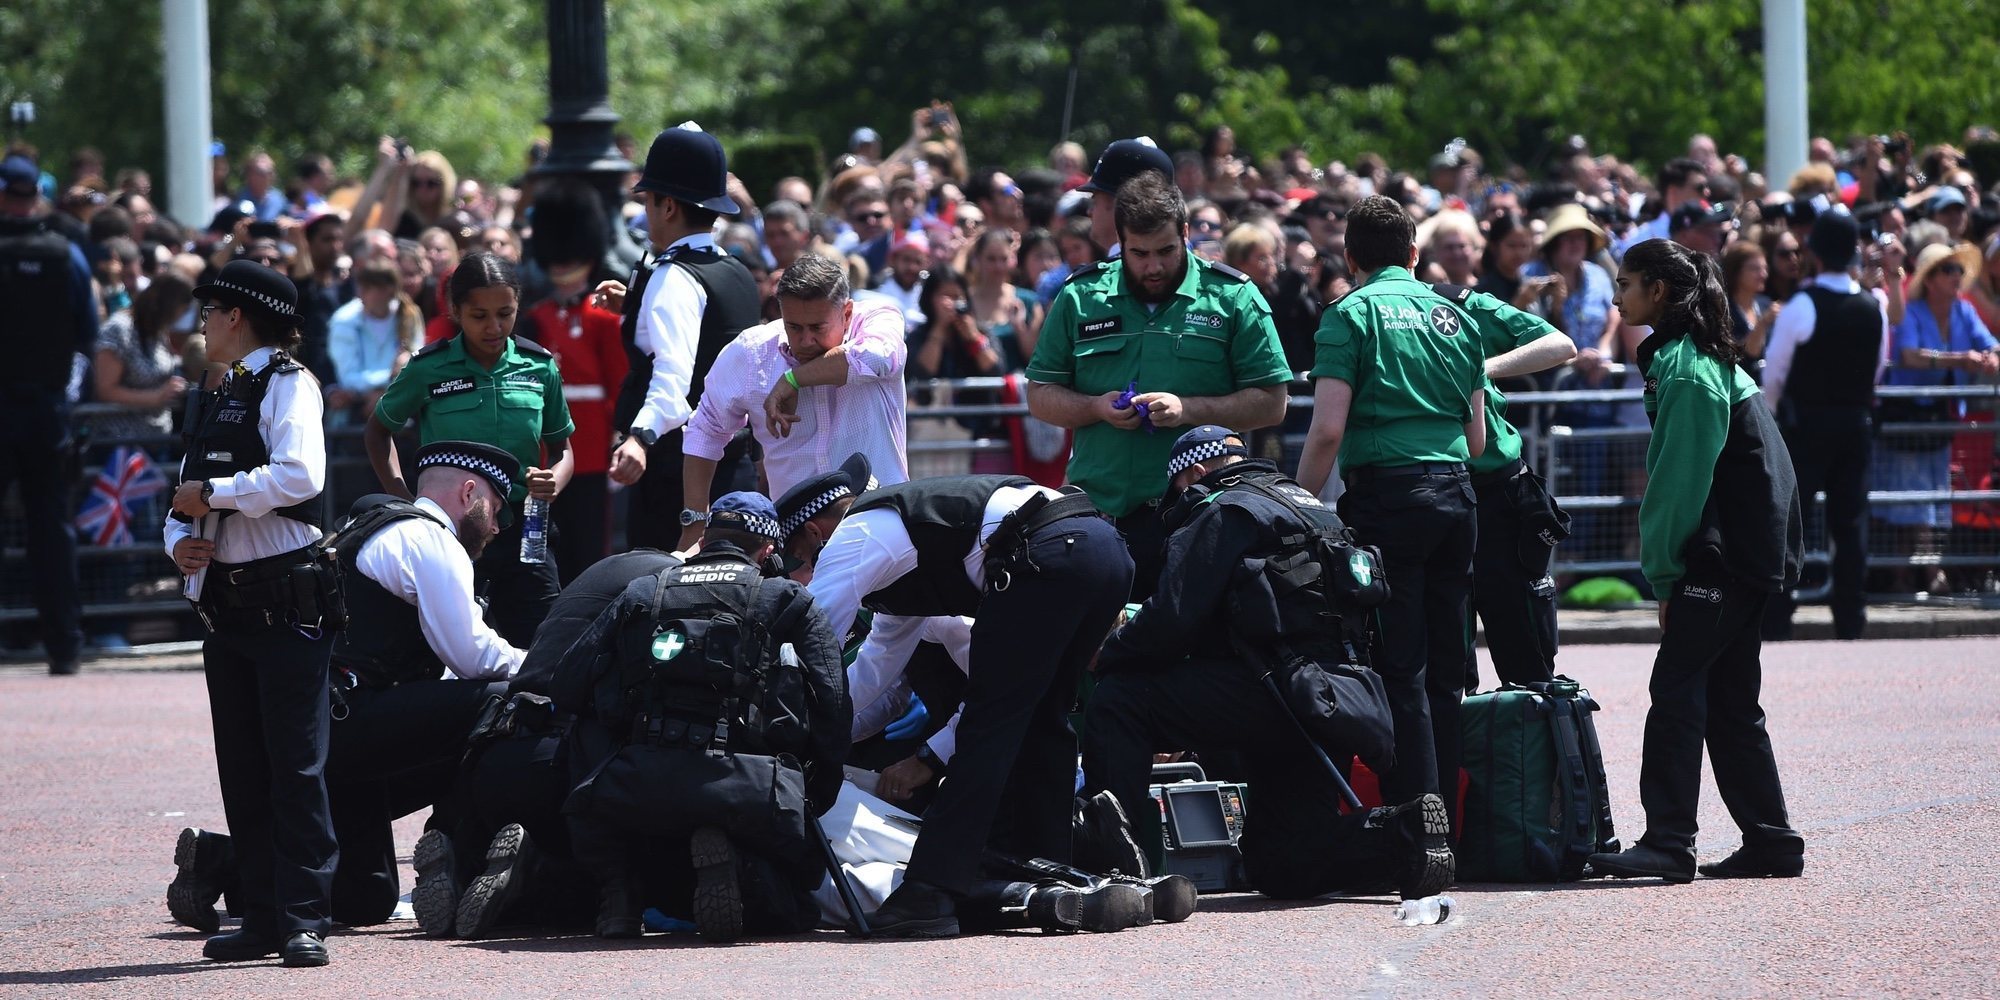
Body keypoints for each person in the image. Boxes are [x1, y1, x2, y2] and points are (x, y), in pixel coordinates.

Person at [1082, 426, 1453, 901]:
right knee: (1282, 864)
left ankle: (1120, 870)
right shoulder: (1313, 508)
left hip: (1269, 688)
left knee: (1120, 701)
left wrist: (1106, 655)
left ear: (1194, 472)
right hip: (1334, 702)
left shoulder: (1222, 509)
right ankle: (1401, 835)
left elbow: (1170, 620)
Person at [170, 442, 527, 934]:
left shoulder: (369, 525)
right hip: (347, 725)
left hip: (324, 726)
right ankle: (452, 855)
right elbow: (471, 658)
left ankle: (221, 860)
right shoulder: (432, 542)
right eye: (497, 509)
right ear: (469, 494)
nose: (497, 527)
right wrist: (538, 667)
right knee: (501, 702)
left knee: (367, 897)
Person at [796, 468, 1133, 937]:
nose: (805, 578)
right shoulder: (903, 565)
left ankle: (929, 892)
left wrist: (779, 719)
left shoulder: (854, 534)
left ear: (816, 534)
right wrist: (816, 731)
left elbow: (815, 643)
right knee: (1043, 721)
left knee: (987, 726)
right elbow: (871, 674)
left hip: (1046, 554)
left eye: (800, 564)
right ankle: (1052, 871)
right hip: (1104, 550)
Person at [1588, 238, 1805, 883]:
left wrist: (1664, 577)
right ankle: (1770, 841)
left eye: (1626, 283)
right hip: (1751, 550)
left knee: (1676, 689)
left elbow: (1675, 486)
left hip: (1723, 558)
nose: (1617, 295)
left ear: (1658, 291)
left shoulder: (1686, 367)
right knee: (1734, 701)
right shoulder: (1704, 356)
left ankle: (1668, 841)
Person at [556, 492, 849, 942]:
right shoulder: (784, 597)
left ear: (705, 538)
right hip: (748, 786)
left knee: (584, 727)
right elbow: (832, 701)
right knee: (793, 910)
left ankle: (620, 893)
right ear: (768, 551)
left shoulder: (642, 590)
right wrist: (813, 795)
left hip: (636, 786)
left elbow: (568, 684)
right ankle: (738, 860)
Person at [164, 260, 338, 967]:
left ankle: (305, 918)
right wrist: (179, 541)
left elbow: (302, 475)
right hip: (227, 607)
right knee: (243, 768)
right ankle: (262, 916)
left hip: (286, 602)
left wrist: (217, 494)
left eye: (209, 311)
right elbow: (184, 494)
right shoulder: (220, 392)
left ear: (237, 315)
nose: (202, 324)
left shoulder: (288, 384)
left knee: (295, 768)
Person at [1294, 195, 1487, 831]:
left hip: (1389, 498)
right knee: (1446, 673)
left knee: (1399, 670)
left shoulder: (1347, 315)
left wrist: (1296, 505)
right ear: (1413, 253)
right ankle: (1453, 828)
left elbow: (1326, 431)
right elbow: (1478, 439)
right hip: (1457, 494)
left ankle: (1416, 825)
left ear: (1350, 258)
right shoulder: (1454, 316)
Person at [1026, 173, 1291, 600]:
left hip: (1203, 518)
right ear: (1120, 241)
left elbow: (1272, 402)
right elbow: (1040, 395)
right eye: (1139, 253)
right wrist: (1095, 407)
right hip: (1100, 515)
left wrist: (1188, 410)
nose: (1153, 266)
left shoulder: (1233, 297)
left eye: (1166, 251)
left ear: (1186, 233)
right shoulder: (1081, 296)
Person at [365, 252, 574, 647]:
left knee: (544, 647)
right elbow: (378, 431)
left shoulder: (539, 366)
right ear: (455, 310)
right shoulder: (429, 367)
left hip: (524, 530)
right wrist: (405, 500)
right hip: (450, 536)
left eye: (505, 313)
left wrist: (554, 480)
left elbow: (562, 448)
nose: (494, 327)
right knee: (442, 650)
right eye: (479, 315)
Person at [593, 124, 761, 551]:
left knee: (661, 595)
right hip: (734, 468)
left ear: (668, 206)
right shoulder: (736, 272)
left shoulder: (674, 277)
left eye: (648, 201)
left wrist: (640, 437)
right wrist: (636, 307)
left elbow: (675, 377)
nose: (646, 211)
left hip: (679, 477)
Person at [678, 252, 910, 549]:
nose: (805, 341)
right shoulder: (752, 352)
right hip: (793, 541)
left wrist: (792, 380)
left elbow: (879, 358)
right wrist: (695, 520)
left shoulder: (878, 318)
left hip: (880, 528)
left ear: (847, 314)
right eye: (794, 327)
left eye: (817, 328)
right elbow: (705, 428)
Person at [1761, 212, 1901, 640]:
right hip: (1856, 423)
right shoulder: (1873, 305)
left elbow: (1774, 377)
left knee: (1788, 521)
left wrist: (1771, 419)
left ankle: (1779, 615)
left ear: (1814, 253)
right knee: (1851, 522)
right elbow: (1878, 368)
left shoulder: (1802, 305)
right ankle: (1850, 619)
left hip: (1804, 427)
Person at [1445, 282, 1579, 690]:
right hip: (1434, 493)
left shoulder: (1458, 305)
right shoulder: (1362, 313)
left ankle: (1539, 749)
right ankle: (1455, 754)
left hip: (1499, 492)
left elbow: (1560, 346)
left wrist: (1482, 367)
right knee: (1446, 661)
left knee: (1528, 657)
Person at [0, 153, 95, 676]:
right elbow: (87, 328)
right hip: (48, 409)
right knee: (52, 531)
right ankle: (65, 647)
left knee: (49, 530)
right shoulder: (65, 253)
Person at [1873, 242, 1998, 594]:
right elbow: (1909, 356)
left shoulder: (1964, 311)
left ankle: (1923, 574)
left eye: (1958, 269)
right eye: (1948, 270)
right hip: (1906, 418)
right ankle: (1910, 576)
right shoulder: (1911, 311)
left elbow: (1990, 344)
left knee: (1931, 497)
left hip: (1940, 422)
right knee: (1904, 500)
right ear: (1929, 279)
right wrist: (1961, 359)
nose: (1956, 276)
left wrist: (1991, 358)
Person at [1077, 137, 1175, 256]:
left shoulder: (1107, 274)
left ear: (1121, 206)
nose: (1089, 211)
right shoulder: (1192, 268)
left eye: (1095, 202)